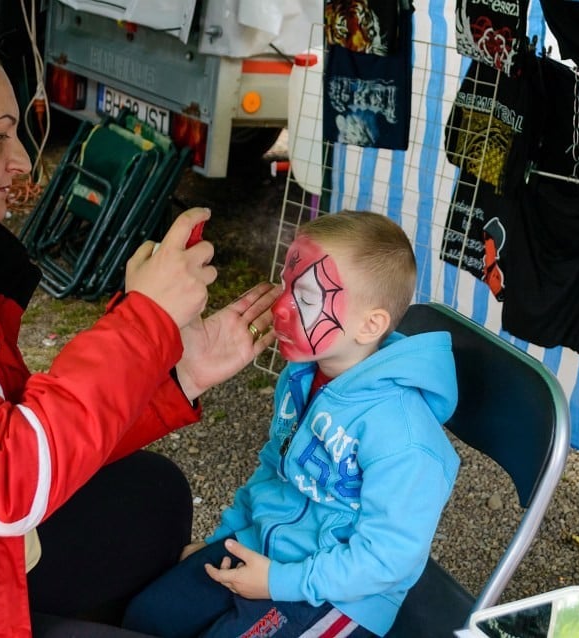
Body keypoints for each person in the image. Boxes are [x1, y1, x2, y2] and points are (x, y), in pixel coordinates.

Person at [0, 22, 280, 638]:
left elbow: (5, 420)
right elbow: (2, 473)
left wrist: (178, 371)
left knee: (152, 496)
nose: (21, 161)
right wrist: (145, 319)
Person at [122, 210, 461, 637]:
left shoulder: (405, 438)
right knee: (147, 617)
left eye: (305, 297)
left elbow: (387, 560)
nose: (280, 308)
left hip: (336, 596)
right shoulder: (301, 377)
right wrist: (223, 539)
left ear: (370, 324)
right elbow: (273, 467)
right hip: (260, 549)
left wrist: (278, 582)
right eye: (286, 286)